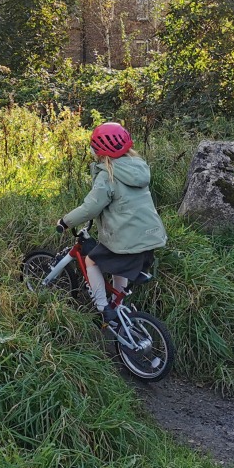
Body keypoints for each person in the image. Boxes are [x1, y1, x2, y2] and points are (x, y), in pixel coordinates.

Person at [57, 122, 167, 328]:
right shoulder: (137, 167)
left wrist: (65, 221)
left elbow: (90, 208)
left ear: (99, 150)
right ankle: (117, 306)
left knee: (91, 261)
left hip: (128, 241)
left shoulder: (107, 175)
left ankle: (103, 308)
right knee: (119, 266)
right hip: (150, 238)